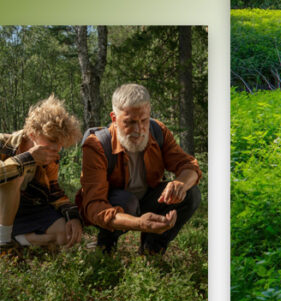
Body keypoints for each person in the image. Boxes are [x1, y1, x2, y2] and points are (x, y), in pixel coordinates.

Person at [78, 83, 202, 255]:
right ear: (114, 118)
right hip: (118, 205)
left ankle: (152, 249)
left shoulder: (158, 131)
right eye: (129, 122)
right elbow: (94, 206)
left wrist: (181, 183)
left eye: (143, 120)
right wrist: (140, 224)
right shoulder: (97, 145)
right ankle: (106, 244)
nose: (138, 129)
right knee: (127, 201)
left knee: (192, 193)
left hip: (147, 200)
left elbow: (189, 165)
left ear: (149, 112)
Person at [0, 95, 83, 256]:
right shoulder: (3, 143)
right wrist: (27, 159)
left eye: (60, 143)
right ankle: (3, 245)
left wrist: (72, 215)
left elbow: (53, 191)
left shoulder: (50, 157)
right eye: (52, 140)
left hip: (26, 210)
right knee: (16, 175)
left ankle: (17, 240)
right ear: (32, 133)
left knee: (65, 235)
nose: (56, 148)